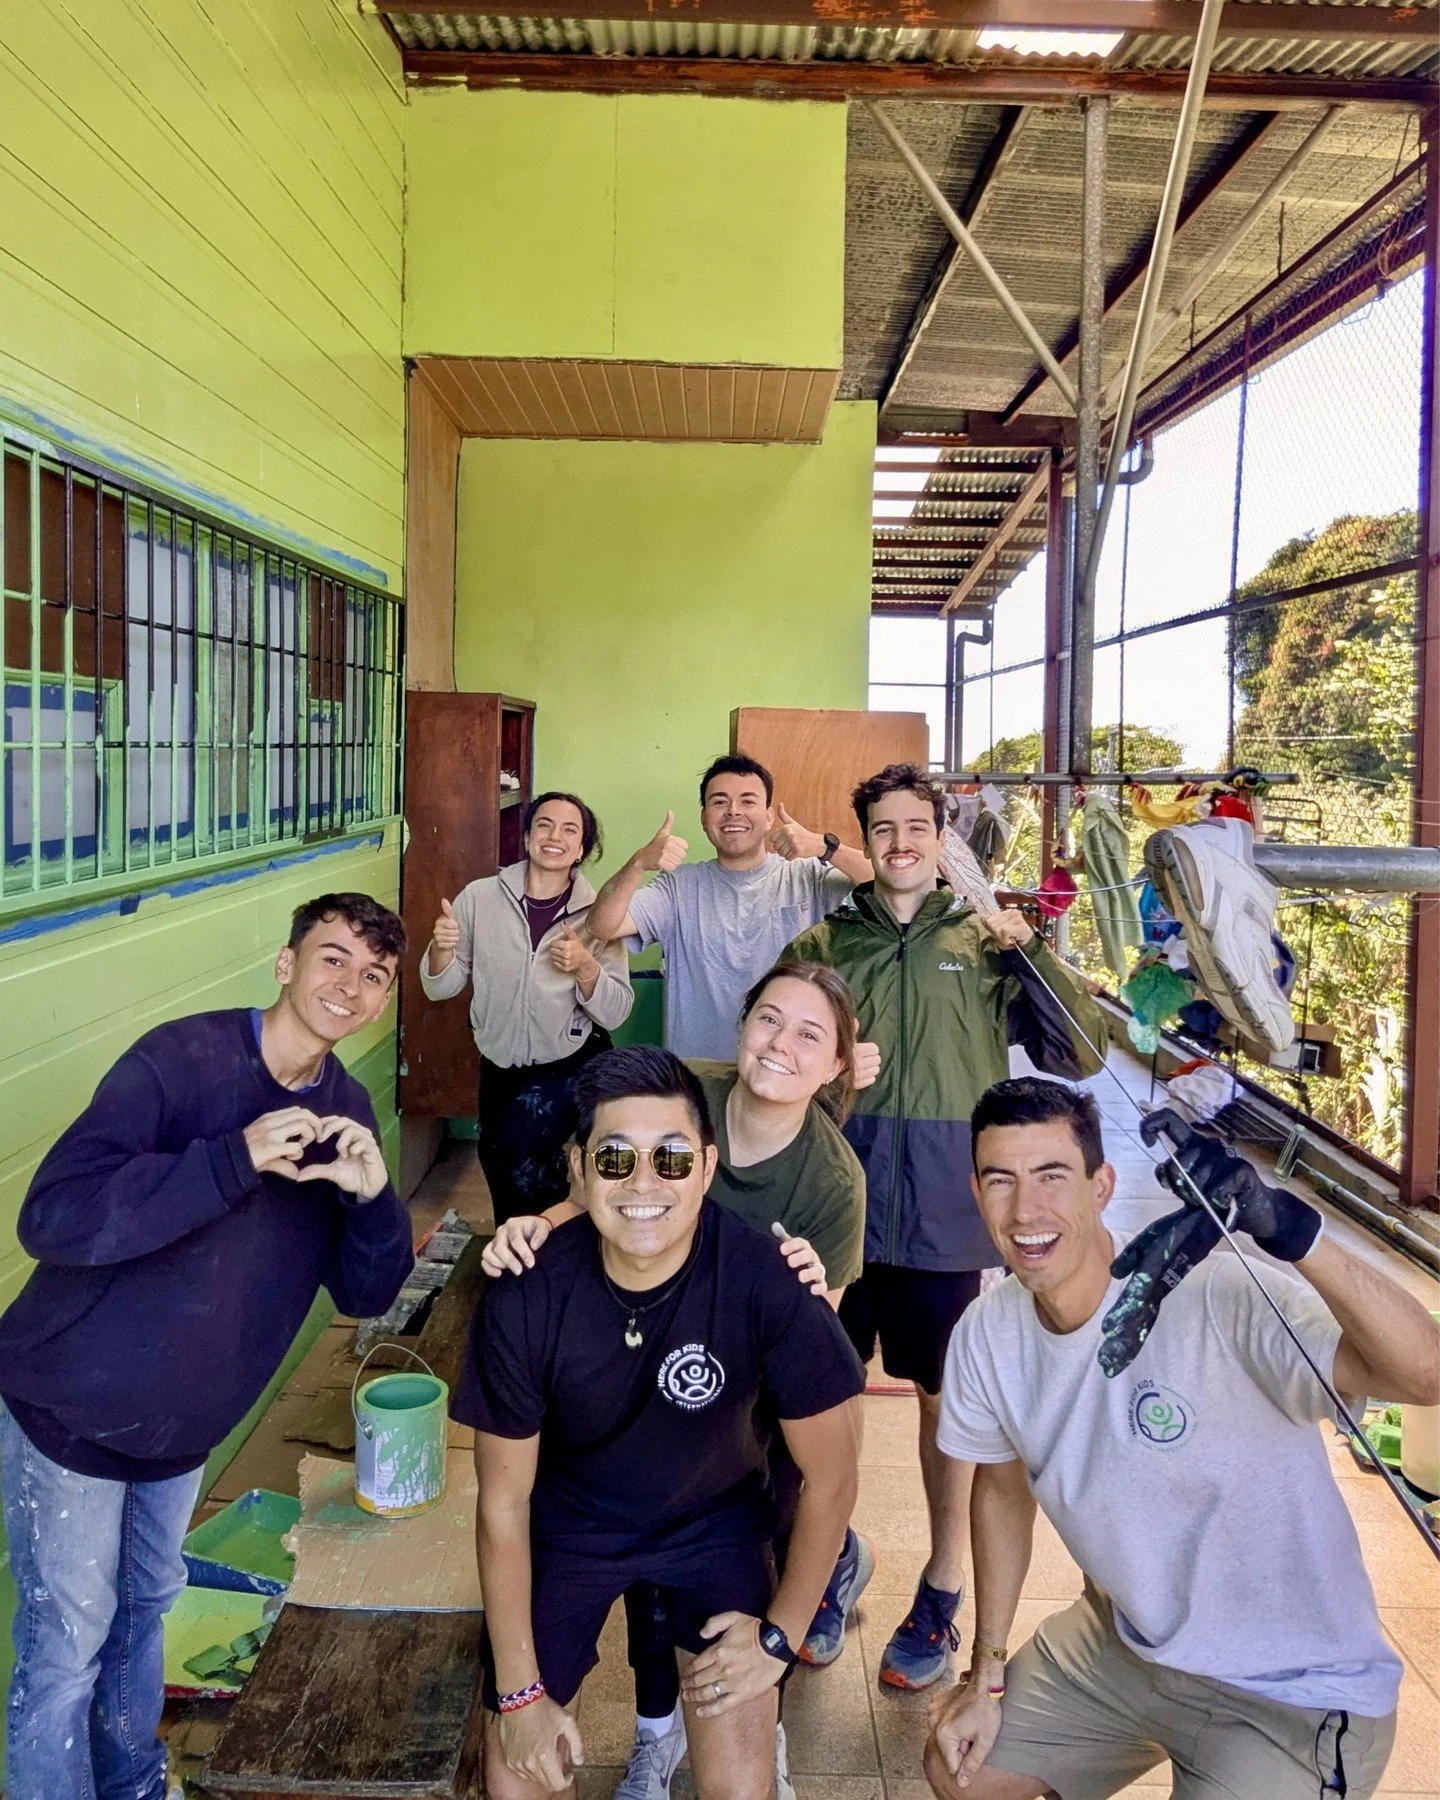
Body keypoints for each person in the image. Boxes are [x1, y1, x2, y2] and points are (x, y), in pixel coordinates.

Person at [0, 892, 415, 1800]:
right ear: (286, 963)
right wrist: (230, 1159)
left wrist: (374, 1195)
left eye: (374, 974)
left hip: (181, 1431)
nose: (351, 985)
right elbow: (53, 1216)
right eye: (333, 958)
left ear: (386, 1000)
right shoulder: (180, 1061)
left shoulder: (345, 1109)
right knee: (68, 1642)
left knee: (144, 1610)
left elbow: (369, 1293)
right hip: (70, 1410)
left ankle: (136, 1782)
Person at [925, 1077, 1440, 1800]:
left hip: (1289, 1692)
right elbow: (1004, 1491)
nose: (1026, 1210)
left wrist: (1295, 1231)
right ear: (976, 1195)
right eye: (1000, 1181)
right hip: (1124, 1644)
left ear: (1102, 1186)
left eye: (1053, 1176)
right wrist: (987, 1671)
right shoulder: (987, 1331)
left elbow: (1424, 1373)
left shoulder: (1221, 1295)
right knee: (961, 1770)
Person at [483, 960, 872, 1798]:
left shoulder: (783, 1255)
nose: (645, 1183)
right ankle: (647, 1732)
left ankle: (731, 1724)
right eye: (615, 1161)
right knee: (514, 1775)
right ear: (579, 1170)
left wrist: (780, 1639)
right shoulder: (529, 1289)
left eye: (671, 1161)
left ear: (706, 1166)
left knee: (737, 1784)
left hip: (718, 1510)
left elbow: (833, 1470)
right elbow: (502, 1501)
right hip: (575, 1522)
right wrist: (519, 1696)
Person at [786, 763, 1108, 1692]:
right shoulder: (823, 941)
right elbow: (771, 1052)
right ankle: (833, 1556)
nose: (899, 844)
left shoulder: (986, 939)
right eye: (882, 828)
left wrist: (1033, 954)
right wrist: (835, 1068)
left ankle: (942, 1583)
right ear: (866, 838)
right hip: (833, 1206)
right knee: (817, 1403)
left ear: (941, 839)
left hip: (943, 1217)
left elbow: (1081, 1050)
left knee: (948, 1411)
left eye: (915, 828)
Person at [420, 790, 633, 1224]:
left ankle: (561, 1267)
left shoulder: (599, 913)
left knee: (558, 1179)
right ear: (528, 835)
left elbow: (617, 1011)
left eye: (570, 830)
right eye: (545, 824)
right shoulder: (478, 898)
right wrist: (441, 951)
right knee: (501, 1169)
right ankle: (519, 1269)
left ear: (582, 849)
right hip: (499, 1065)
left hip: (569, 1068)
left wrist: (587, 968)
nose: (555, 836)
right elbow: (441, 988)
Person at [584, 754, 871, 1061]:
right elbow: (602, 926)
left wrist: (827, 848)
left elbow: (890, 887)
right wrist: (639, 862)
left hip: (787, 1072)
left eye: (748, 801)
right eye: (720, 802)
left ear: (769, 817)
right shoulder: (678, 887)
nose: (733, 811)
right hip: (697, 1077)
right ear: (704, 816)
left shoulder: (807, 875)